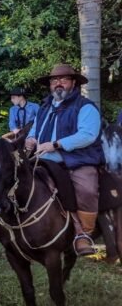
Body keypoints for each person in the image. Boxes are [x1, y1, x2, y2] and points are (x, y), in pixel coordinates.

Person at [25, 64, 102, 256]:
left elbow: (88, 135)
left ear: (73, 83)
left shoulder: (85, 107)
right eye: (54, 80)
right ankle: (8, 226)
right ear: (50, 85)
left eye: (64, 79)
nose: (58, 84)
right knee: (15, 181)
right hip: (44, 159)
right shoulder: (44, 107)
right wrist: (30, 140)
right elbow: (35, 131)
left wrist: (56, 144)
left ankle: (83, 234)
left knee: (87, 189)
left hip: (78, 160)